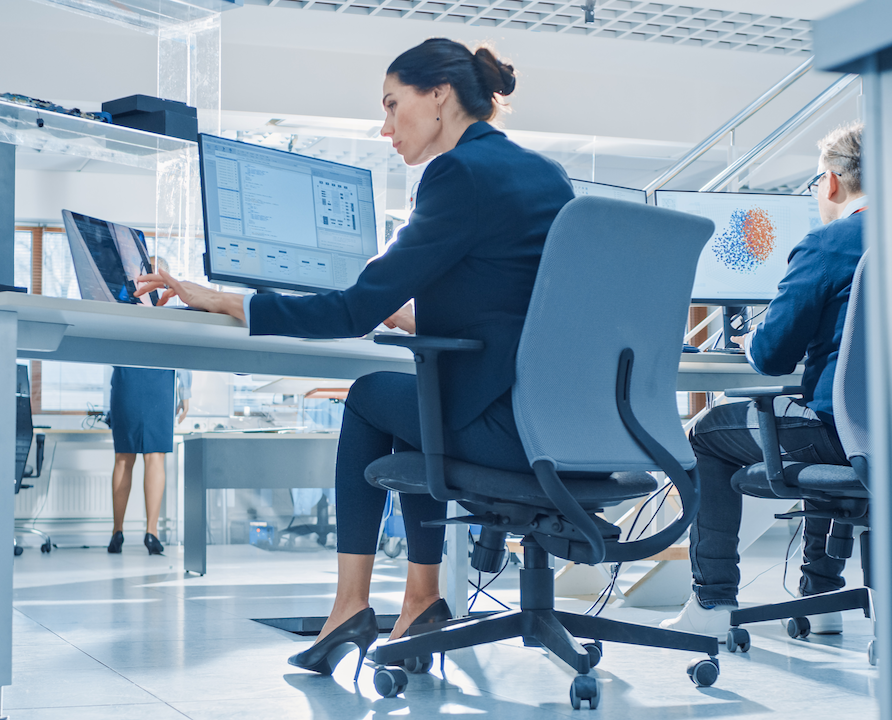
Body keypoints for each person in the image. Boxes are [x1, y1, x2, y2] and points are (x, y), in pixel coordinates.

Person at [135, 38, 574, 679]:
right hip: (557, 423)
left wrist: (225, 300)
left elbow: (348, 313)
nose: (385, 126)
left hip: (507, 429)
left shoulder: (456, 175)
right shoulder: (545, 174)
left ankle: (351, 607)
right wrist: (413, 316)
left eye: (395, 105)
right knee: (416, 398)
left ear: (440, 96)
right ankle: (420, 601)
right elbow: (520, 315)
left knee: (375, 394)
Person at [661, 122, 866, 640]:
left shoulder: (830, 243)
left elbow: (773, 357)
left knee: (708, 430)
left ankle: (711, 602)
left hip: (841, 436)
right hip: (872, 438)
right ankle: (821, 595)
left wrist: (749, 342)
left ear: (833, 182)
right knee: (828, 416)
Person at [107, 256, 192, 556]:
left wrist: (186, 391)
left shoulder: (171, 299)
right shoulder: (124, 298)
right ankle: (118, 531)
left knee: (153, 455)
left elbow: (183, 347)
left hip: (159, 377)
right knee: (124, 456)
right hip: (130, 374)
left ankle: (151, 531)